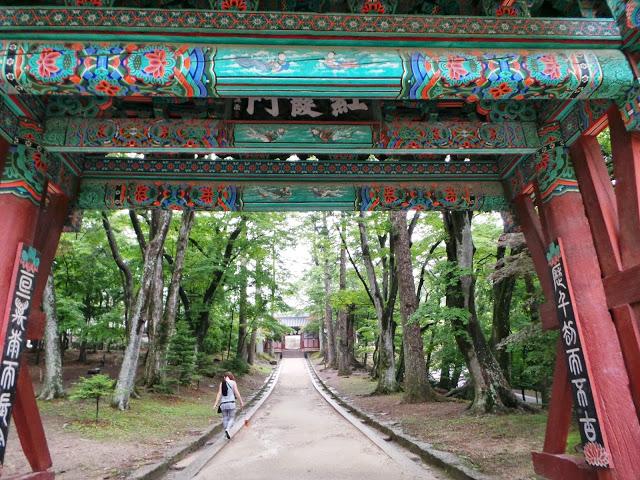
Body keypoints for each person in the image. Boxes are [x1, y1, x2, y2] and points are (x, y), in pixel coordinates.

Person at [213, 371, 245, 439]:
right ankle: (227, 429)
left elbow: (219, 394)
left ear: (224, 377)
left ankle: (225, 431)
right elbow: (237, 393)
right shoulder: (233, 383)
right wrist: (241, 402)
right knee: (232, 418)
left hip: (223, 404)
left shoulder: (221, 383)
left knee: (225, 418)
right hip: (231, 403)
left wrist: (215, 404)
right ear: (231, 377)